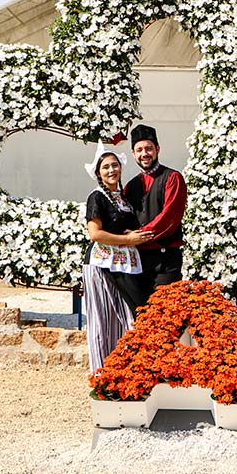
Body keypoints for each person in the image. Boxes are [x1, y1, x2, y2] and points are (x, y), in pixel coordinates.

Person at [82, 145, 153, 371]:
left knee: (127, 313)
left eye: (114, 165)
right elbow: (95, 234)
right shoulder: (97, 197)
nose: (111, 170)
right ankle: (103, 370)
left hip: (124, 263)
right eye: (105, 167)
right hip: (103, 264)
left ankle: (126, 367)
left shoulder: (121, 198)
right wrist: (129, 240)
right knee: (104, 318)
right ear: (98, 173)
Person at [123, 124, 187, 300]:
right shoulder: (130, 186)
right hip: (138, 261)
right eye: (139, 150)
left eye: (149, 148)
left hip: (165, 260)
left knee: (164, 314)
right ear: (133, 154)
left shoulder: (173, 178)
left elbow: (170, 218)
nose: (145, 153)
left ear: (157, 149)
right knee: (141, 314)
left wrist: (139, 235)